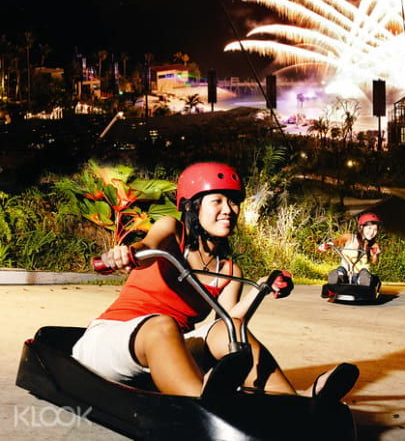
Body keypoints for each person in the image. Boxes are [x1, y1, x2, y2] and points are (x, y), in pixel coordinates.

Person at [72, 162, 358, 400]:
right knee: (162, 322)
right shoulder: (172, 232)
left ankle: (297, 403)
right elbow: (147, 246)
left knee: (231, 329)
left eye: (233, 201)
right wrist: (125, 254)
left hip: (174, 346)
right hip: (114, 340)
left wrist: (261, 288)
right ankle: (205, 404)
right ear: (193, 206)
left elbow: (228, 321)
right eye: (217, 201)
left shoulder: (229, 270)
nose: (228, 209)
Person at [319, 212, 382, 287]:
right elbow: (337, 242)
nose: (372, 232)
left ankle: (361, 283)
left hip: (360, 274)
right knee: (341, 270)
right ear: (361, 227)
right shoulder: (349, 238)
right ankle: (337, 279)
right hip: (346, 273)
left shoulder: (373, 245)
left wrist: (375, 254)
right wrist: (327, 246)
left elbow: (375, 262)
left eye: (375, 230)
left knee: (365, 273)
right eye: (369, 228)